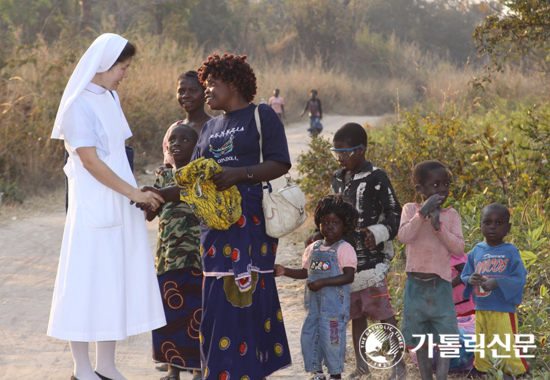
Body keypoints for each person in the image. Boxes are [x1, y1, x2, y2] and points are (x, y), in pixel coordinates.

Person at [151, 53, 292, 379]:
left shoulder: (262, 115)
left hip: (252, 228)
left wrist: (238, 174)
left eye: (213, 84)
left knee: (249, 302)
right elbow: (192, 182)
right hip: (214, 232)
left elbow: (280, 163)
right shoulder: (210, 127)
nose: (208, 90)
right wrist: (157, 195)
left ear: (235, 84)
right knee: (217, 307)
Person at [48, 33, 166, 380]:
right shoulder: (76, 105)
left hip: (120, 202)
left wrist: (135, 192)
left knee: (114, 280)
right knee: (85, 282)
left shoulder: (110, 97)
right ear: (103, 63)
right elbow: (90, 162)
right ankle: (81, 370)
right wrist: (135, 193)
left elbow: (118, 155)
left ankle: (107, 366)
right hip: (94, 206)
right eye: (122, 67)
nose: (124, 74)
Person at [306, 123, 405, 380]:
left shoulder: (377, 178)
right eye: (335, 153)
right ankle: (362, 366)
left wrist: (378, 232)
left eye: (345, 152)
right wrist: (319, 235)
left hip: (372, 262)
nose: (339, 158)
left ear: (361, 150)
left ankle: (398, 364)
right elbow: (333, 215)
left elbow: (395, 212)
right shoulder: (338, 178)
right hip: (345, 261)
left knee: (382, 314)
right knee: (355, 314)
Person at [275, 194, 358, 380]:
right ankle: (317, 372)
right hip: (313, 309)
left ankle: (335, 375)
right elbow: (305, 273)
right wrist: (284, 270)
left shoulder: (345, 249)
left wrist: (323, 282)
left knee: (332, 342)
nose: (329, 226)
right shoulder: (313, 248)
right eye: (324, 221)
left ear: (345, 225)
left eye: (335, 222)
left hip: (334, 311)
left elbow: (348, 276)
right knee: (310, 339)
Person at [398, 160, 465, 380]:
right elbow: (404, 237)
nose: (442, 190)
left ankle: (442, 376)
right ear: (420, 190)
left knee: (444, 335)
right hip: (415, 287)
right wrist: (423, 214)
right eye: (435, 185)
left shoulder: (451, 215)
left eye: (445, 184)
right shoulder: (410, 209)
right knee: (420, 337)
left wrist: (438, 227)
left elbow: (457, 247)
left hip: (441, 286)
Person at [147, 124, 202, 380]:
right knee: (168, 316)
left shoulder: (201, 176)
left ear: (197, 146)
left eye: (185, 139)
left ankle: (199, 368)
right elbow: (150, 213)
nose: (177, 143)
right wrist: (142, 198)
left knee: (196, 315)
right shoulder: (162, 175)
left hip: (196, 260)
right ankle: (173, 370)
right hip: (167, 259)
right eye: (172, 139)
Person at [461, 203, 529, 379]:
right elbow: (466, 274)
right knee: (483, 342)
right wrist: (469, 280)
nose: (492, 226)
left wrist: (497, 282)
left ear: (508, 227)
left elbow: (519, 277)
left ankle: (511, 372)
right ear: (480, 225)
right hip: (481, 307)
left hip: (503, 309)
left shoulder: (511, 251)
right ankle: (487, 370)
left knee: (505, 341)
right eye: (487, 222)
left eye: (499, 223)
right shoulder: (476, 250)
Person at [162, 71, 213, 169]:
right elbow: (169, 165)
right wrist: (161, 170)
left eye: (193, 91)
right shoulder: (174, 129)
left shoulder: (216, 127)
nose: (186, 95)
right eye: (181, 91)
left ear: (205, 92)